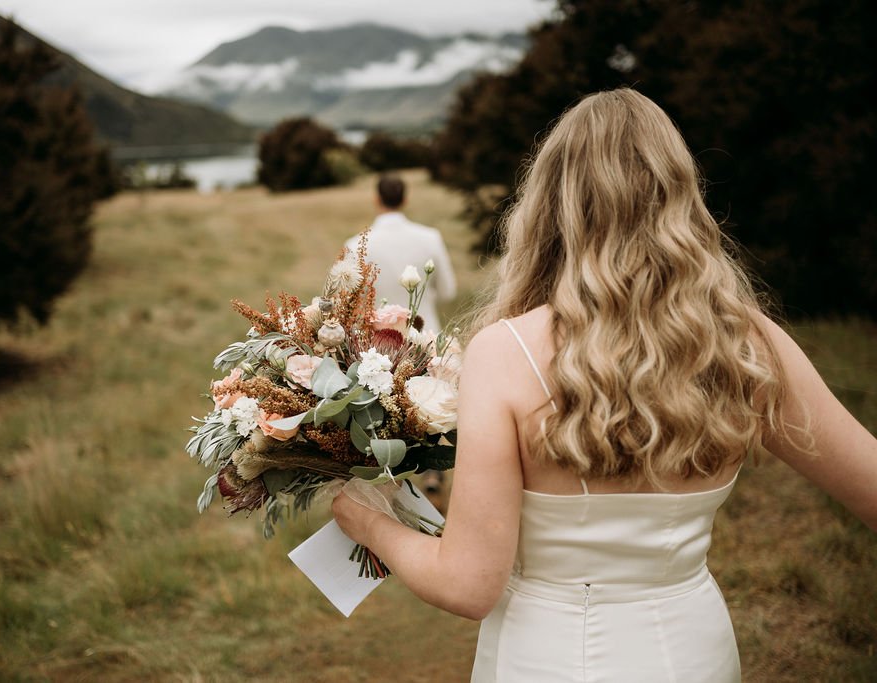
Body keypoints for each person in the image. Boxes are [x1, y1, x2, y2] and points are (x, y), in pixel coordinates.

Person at [332, 88, 877, 681]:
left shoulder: (506, 353)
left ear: (549, 207)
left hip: (550, 657)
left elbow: (467, 584)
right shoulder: (747, 342)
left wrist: (366, 522)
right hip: (695, 647)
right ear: (679, 196)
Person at [346, 173, 457, 332]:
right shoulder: (431, 237)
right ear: (405, 200)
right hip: (424, 336)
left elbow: (347, 302)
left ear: (376, 199)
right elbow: (448, 292)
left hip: (376, 344)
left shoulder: (355, 245)